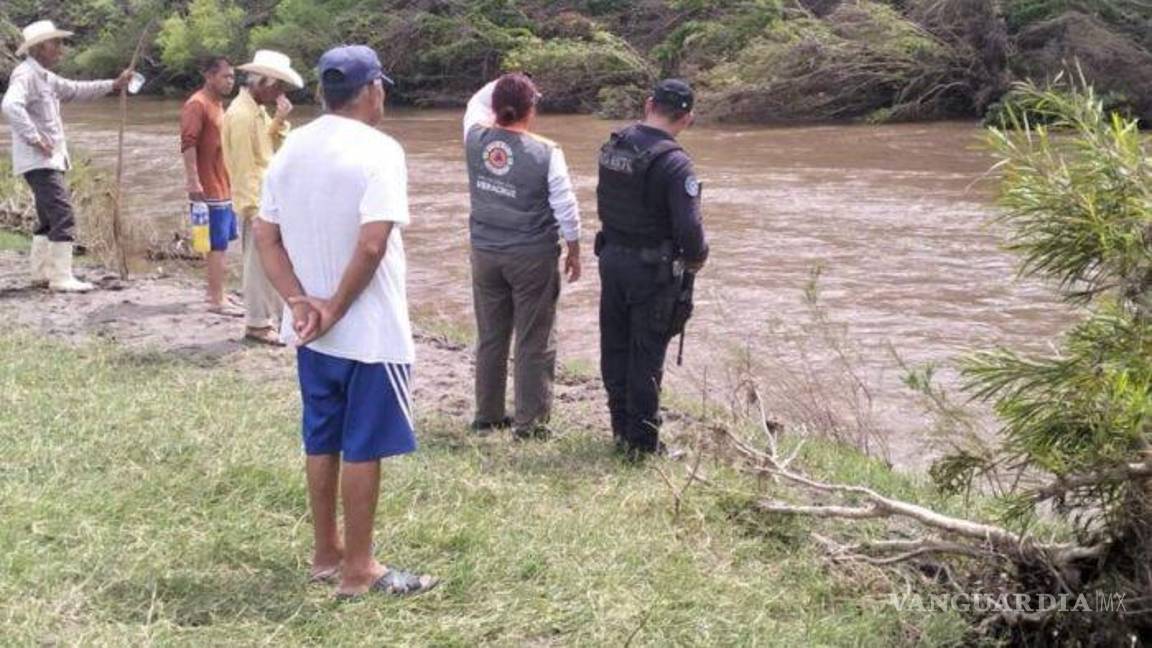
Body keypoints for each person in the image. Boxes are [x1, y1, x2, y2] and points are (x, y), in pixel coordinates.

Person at [254, 45, 437, 598]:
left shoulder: (291, 147)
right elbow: (373, 242)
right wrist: (335, 305)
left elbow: (265, 235)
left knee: (322, 439)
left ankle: (325, 552)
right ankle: (359, 569)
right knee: (364, 446)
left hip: (312, 333)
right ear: (373, 89)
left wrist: (298, 301)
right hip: (370, 332)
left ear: (322, 93)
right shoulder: (382, 150)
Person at [462, 73, 582, 440]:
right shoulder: (546, 152)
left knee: (491, 336)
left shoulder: (473, 137)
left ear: (495, 107)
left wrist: (505, 81)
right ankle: (530, 425)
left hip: (485, 252)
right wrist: (574, 248)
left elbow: (474, 102)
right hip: (531, 256)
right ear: (531, 109)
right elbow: (566, 207)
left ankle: (488, 416)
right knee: (534, 340)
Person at [595, 79, 709, 460]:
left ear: (649, 104)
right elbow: (691, 232)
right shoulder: (675, 163)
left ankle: (620, 431)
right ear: (688, 119)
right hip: (652, 271)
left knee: (615, 347)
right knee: (645, 356)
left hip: (611, 260)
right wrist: (697, 259)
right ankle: (643, 446)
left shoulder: (614, 145)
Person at [1, 20, 133, 292]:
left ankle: (41, 273)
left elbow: (75, 89)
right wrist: (36, 138)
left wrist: (114, 84)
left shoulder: (45, 77)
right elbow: (10, 105)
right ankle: (61, 278)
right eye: (56, 43)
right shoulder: (25, 74)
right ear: (39, 48)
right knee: (63, 214)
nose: (61, 49)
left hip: (46, 160)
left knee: (49, 217)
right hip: (40, 160)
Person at [222, 50, 303, 345]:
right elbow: (245, 168)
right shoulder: (243, 115)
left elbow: (265, 150)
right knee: (257, 265)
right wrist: (255, 211)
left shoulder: (253, 109)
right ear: (263, 81)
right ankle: (257, 324)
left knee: (269, 261)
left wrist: (279, 120)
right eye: (277, 85)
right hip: (257, 202)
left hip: (265, 199)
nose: (280, 92)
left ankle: (270, 319)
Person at [181, 56, 239, 316]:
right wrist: (193, 180)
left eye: (232, 77)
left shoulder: (218, 104)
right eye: (225, 76)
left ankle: (215, 292)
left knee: (222, 240)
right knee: (216, 243)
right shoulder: (197, 104)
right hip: (207, 185)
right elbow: (188, 143)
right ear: (209, 76)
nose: (230, 81)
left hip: (223, 183)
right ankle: (217, 299)